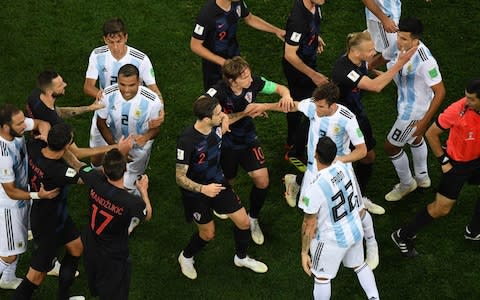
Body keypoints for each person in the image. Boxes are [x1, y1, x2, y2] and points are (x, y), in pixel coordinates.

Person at [253, 82, 382, 269]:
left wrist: (340, 160)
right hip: (313, 171)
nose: (317, 109)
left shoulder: (347, 118)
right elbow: (292, 106)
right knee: (311, 213)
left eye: (321, 106)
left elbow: (362, 151)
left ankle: (371, 244)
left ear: (332, 104)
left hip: (339, 170)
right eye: (316, 104)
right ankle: (314, 249)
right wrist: (264, 106)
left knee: (358, 210)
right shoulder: (313, 105)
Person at [176, 95, 268, 280]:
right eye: (218, 114)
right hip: (197, 193)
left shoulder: (216, 125)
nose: (223, 115)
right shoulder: (187, 141)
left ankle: (241, 258)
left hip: (218, 182)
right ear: (206, 119)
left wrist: (246, 113)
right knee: (208, 234)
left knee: (244, 222)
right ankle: (186, 257)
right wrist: (203, 189)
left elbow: (230, 117)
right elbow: (179, 177)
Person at [205, 56, 294, 245]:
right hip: (226, 142)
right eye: (245, 77)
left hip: (248, 138)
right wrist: (245, 112)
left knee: (262, 181)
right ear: (231, 80)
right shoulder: (218, 91)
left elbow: (279, 88)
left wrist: (285, 95)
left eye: (249, 74)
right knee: (228, 179)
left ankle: (253, 218)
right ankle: (224, 203)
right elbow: (203, 109)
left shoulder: (254, 83)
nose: (251, 80)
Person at [392, 79, 480, 257]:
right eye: (466, 97)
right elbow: (431, 133)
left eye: (471, 99)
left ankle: (474, 230)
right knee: (442, 208)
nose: (466, 101)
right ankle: (403, 235)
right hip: (458, 164)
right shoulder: (457, 110)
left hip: (477, 160)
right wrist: (444, 161)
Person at [331, 31, 416, 212]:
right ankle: (299, 182)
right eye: (370, 50)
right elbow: (375, 87)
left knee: (368, 157)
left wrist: (378, 73)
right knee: (335, 162)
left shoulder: (358, 61)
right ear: (355, 52)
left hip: (357, 116)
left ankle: (359, 198)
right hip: (341, 122)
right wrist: (399, 64)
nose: (373, 52)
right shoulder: (344, 70)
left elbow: (368, 74)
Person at [299, 136, 379, 300]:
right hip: (355, 230)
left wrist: (304, 252)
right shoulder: (344, 167)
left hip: (331, 240)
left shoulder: (315, 187)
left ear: (315, 155)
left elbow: (309, 224)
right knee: (360, 265)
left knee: (322, 278)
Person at [13, 123, 84, 300]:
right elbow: (84, 176)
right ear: (67, 145)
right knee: (35, 277)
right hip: (47, 226)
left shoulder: (34, 148)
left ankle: (63, 297)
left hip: (56, 216)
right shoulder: (60, 171)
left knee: (76, 248)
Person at [83, 17, 165, 166]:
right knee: (97, 155)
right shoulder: (97, 55)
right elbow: (88, 86)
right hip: (104, 109)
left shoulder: (141, 59)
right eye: (110, 42)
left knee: (129, 159)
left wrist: (161, 111)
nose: (115, 47)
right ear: (104, 39)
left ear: (126, 37)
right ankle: (96, 181)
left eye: (118, 41)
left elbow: (154, 88)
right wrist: (103, 97)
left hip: (132, 109)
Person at [73, 148, 152, 300]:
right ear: (125, 169)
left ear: (103, 169)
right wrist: (143, 191)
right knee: (115, 292)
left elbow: (77, 164)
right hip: (113, 254)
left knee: (95, 279)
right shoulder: (131, 203)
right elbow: (147, 215)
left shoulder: (94, 179)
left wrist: (63, 149)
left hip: (91, 242)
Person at [384, 17, 445, 201]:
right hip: (405, 104)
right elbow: (385, 58)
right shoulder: (400, 44)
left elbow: (440, 92)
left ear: (415, 39)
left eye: (404, 39)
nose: (399, 42)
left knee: (391, 147)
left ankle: (406, 183)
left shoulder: (426, 61)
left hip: (414, 111)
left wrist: (424, 122)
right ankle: (423, 177)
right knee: (414, 139)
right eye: (399, 37)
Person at [96, 63, 162, 234]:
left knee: (129, 182)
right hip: (115, 143)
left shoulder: (152, 100)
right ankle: (122, 204)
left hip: (139, 150)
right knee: (114, 178)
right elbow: (101, 124)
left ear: (139, 82)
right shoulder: (107, 94)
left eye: (131, 85)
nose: (126, 90)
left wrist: (145, 138)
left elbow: (156, 129)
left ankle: (132, 215)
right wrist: (116, 148)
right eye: (122, 84)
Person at [0, 104, 59, 290]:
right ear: (4, 127)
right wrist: (37, 196)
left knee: (15, 246)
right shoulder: (3, 156)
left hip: (21, 197)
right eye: (19, 125)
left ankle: (7, 279)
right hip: (9, 206)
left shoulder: (15, 128)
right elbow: (10, 190)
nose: (23, 126)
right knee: (9, 254)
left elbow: (42, 123)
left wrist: (45, 134)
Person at [191, 0, 285, 91]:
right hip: (215, 65)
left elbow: (250, 18)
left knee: (239, 88)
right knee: (216, 95)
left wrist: (276, 30)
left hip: (234, 55)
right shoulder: (207, 15)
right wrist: (224, 62)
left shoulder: (237, 3)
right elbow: (195, 46)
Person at [282, 0, 329, 160]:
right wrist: (314, 75)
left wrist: (314, 37)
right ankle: (294, 149)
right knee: (311, 107)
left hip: (308, 63)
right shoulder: (298, 19)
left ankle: (291, 141)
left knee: (304, 103)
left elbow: (309, 28)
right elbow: (289, 54)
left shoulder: (316, 5)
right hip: (298, 70)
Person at [362, 0, 432, 69]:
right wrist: (384, 19)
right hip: (383, 16)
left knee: (388, 47)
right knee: (391, 50)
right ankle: (363, 69)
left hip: (390, 12)